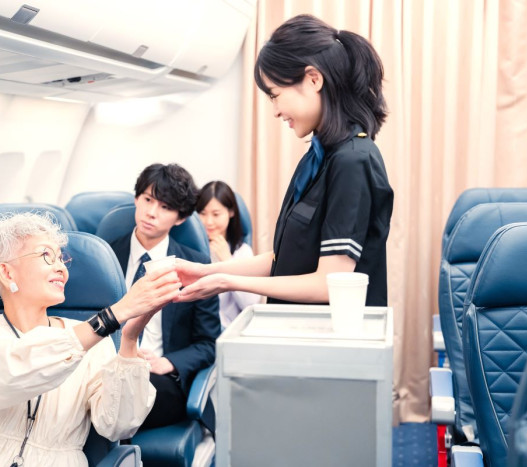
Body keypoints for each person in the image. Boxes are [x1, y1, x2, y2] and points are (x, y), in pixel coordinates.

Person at [176, 14, 394, 307]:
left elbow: (331, 283)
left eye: (275, 95)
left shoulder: (353, 162)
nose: (276, 111)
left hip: (331, 341)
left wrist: (226, 283)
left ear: (314, 79)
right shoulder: (318, 158)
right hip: (299, 330)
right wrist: (207, 271)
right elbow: (284, 259)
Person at [0, 212, 182, 466]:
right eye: (46, 256)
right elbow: (15, 371)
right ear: (7, 274)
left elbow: (117, 426)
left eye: (62, 258)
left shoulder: (96, 343)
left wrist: (128, 340)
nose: (61, 267)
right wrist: (111, 317)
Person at [107, 163, 220, 431]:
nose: (151, 213)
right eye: (147, 200)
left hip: (158, 379)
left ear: (180, 218)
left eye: (165, 207)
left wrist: (166, 363)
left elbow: (208, 343)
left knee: (124, 395)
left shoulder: (196, 268)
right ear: (136, 199)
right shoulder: (107, 258)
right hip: (105, 368)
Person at [196, 180, 260, 327]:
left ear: (231, 212)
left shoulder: (242, 252)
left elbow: (250, 304)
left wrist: (228, 262)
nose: (209, 222)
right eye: (203, 213)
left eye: (216, 214)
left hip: (230, 330)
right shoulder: (190, 251)